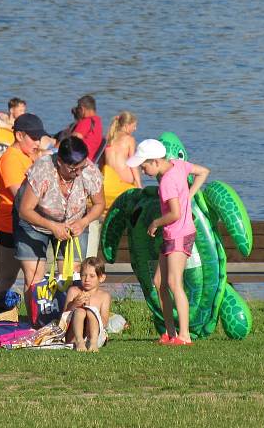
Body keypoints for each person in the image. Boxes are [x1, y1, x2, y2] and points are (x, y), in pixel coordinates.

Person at [127, 138, 210, 346]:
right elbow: (203, 172)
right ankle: (170, 333)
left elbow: (174, 213)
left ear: (155, 161)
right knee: (159, 282)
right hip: (173, 234)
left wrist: (155, 222)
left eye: (144, 165)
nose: (143, 170)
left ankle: (184, 335)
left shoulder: (166, 183)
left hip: (179, 234)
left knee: (174, 283)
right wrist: (190, 194)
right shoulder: (178, 165)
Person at [16, 136, 105, 296]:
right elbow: (25, 210)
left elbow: (99, 204)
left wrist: (83, 222)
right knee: (34, 277)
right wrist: (52, 226)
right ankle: (36, 320)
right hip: (33, 222)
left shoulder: (90, 171)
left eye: (81, 167)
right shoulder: (42, 170)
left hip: (74, 222)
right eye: (73, 169)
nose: (78, 173)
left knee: (73, 275)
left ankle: (66, 317)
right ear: (59, 163)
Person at [0, 113, 50, 297]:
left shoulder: (27, 156)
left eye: (39, 138)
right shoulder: (11, 159)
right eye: (34, 138)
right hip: (11, 225)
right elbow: (20, 195)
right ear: (19, 135)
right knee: (25, 277)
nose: (38, 143)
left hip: (23, 224)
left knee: (9, 277)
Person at [61, 256, 112, 352]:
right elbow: (64, 316)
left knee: (91, 311)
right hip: (73, 336)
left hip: (94, 336)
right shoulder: (74, 291)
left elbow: (104, 322)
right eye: (84, 275)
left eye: (92, 276)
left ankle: (92, 343)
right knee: (80, 311)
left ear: (101, 278)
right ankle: (79, 341)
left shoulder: (104, 296)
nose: (87, 279)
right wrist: (74, 304)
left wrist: (90, 309)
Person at [103, 111, 142, 188]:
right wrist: (139, 184)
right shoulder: (129, 139)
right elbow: (133, 163)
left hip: (109, 179)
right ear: (126, 126)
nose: (135, 129)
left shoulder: (108, 139)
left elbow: (102, 162)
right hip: (125, 179)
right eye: (133, 126)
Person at [70, 95, 103, 162]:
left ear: (82, 109)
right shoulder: (98, 121)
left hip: (78, 159)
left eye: (78, 109)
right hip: (89, 158)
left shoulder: (86, 122)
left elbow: (70, 142)